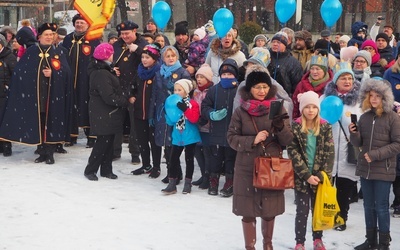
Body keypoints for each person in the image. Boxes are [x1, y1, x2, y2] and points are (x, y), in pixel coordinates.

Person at [227, 64, 292, 250]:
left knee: (269, 211)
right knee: (248, 212)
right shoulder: (240, 111)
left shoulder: (278, 108)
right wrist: (252, 140)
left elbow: (288, 140)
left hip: (272, 166)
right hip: (247, 166)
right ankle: (250, 246)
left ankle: (268, 244)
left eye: (264, 87)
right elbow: (231, 138)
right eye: (257, 87)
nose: (261, 91)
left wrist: (280, 127)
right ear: (249, 89)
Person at [0, 23, 72, 164]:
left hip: (53, 95)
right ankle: (42, 150)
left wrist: (54, 73)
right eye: (46, 35)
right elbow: (20, 72)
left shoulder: (59, 52)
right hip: (36, 96)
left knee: (51, 122)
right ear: (39, 37)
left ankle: (50, 152)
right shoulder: (32, 51)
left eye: (51, 35)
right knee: (40, 122)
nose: (49, 37)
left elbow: (67, 73)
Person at [349, 78, 400, 250]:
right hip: (366, 169)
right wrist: (354, 134)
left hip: (383, 169)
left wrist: (375, 155)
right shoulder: (364, 117)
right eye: (371, 95)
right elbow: (358, 143)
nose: (374, 99)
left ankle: (384, 243)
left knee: (382, 207)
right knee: (368, 206)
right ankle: (370, 240)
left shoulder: (392, 118)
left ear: (385, 97)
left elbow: (397, 144)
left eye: (378, 95)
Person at [287, 90, 335, 250]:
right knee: (302, 211)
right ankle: (299, 242)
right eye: (307, 107)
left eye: (314, 107)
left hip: (319, 177)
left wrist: (322, 174)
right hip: (302, 176)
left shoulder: (325, 126)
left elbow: (330, 152)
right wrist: (306, 175)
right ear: (302, 109)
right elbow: (293, 152)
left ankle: (318, 239)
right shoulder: (296, 126)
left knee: (318, 209)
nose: (311, 110)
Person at [84, 43, 135, 181]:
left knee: (109, 142)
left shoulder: (105, 70)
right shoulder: (101, 73)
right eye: (111, 53)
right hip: (104, 112)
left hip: (109, 112)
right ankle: (90, 169)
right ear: (107, 56)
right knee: (102, 142)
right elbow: (108, 96)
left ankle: (106, 170)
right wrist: (125, 100)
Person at [321, 61, 363, 231]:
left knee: (344, 188)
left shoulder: (359, 102)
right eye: (343, 78)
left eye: (350, 78)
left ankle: (341, 218)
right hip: (328, 151)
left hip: (348, 151)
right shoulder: (324, 99)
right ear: (335, 81)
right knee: (327, 187)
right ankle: (325, 216)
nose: (347, 81)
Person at [148, 45, 191, 184]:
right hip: (161, 112)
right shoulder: (159, 73)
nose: (170, 58)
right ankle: (171, 172)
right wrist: (151, 114)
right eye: (167, 56)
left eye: (173, 55)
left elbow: (188, 93)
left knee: (174, 144)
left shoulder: (182, 72)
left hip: (176, 113)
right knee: (166, 144)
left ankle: (176, 173)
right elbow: (154, 95)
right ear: (163, 58)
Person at [201, 58, 239, 197]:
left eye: (230, 74)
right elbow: (205, 106)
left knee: (230, 159)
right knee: (215, 159)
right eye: (224, 75)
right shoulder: (214, 90)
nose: (227, 77)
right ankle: (213, 181)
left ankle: (230, 182)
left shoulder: (239, 90)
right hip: (216, 131)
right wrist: (211, 114)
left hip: (233, 132)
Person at [63, 14, 101, 147]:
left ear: (87, 25)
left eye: (82, 23)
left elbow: (98, 59)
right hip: (70, 78)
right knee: (71, 106)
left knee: (87, 106)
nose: (79, 25)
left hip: (87, 79)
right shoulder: (68, 39)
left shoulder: (93, 39)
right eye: (77, 22)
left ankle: (91, 135)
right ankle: (71, 135)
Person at [113, 20, 148, 165]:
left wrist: (139, 51)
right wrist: (111, 69)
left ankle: (135, 153)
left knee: (135, 124)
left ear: (134, 31)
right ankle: (115, 151)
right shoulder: (117, 45)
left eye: (127, 33)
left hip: (136, 90)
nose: (124, 37)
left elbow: (152, 60)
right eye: (122, 34)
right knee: (116, 121)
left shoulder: (143, 44)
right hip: (118, 88)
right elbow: (107, 59)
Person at [162, 79, 201, 194]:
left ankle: (188, 183)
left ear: (186, 91)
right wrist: (167, 113)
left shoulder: (192, 103)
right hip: (177, 136)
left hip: (190, 136)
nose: (177, 92)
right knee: (173, 159)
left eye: (180, 90)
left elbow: (194, 119)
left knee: (189, 160)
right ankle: (172, 183)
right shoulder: (172, 102)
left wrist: (185, 109)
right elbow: (170, 122)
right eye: (175, 90)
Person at [133, 43, 162, 178]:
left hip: (153, 114)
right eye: (143, 57)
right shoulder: (139, 72)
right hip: (139, 112)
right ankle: (146, 164)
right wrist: (131, 96)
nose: (144, 60)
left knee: (154, 141)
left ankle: (156, 166)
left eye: (147, 57)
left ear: (155, 59)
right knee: (142, 140)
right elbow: (132, 87)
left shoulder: (159, 73)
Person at [192, 63, 214, 189]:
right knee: (197, 151)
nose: (199, 79)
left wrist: (205, 119)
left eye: (202, 77)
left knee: (207, 151)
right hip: (196, 125)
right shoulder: (195, 91)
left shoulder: (211, 91)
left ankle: (208, 176)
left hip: (207, 126)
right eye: (198, 77)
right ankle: (203, 174)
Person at [383, 53, 400, 218]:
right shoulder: (390, 73)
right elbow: (384, 97)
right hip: (393, 121)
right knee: (394, 162)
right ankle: (393, 200)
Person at [292, 55, 333, 119]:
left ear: (324, 71)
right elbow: (295, 106)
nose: (314, 72)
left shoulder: (331, 86)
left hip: (324, 123)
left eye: (317, 69)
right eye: (312, 68)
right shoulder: (301, 85)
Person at [267, 31, 303, 97]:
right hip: (265, 96)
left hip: (284, 97)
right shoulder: (265, 57)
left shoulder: (293, 62)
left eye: (278, 42)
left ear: (285, 45)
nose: (275, 44)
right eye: (273, 42)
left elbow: (297, 84)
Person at [0, 33, 17, 156]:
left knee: (4, 120)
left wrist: (7, 87)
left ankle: (6, 145)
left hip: (4, 94)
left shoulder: (9, 57)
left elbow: (15, 76)